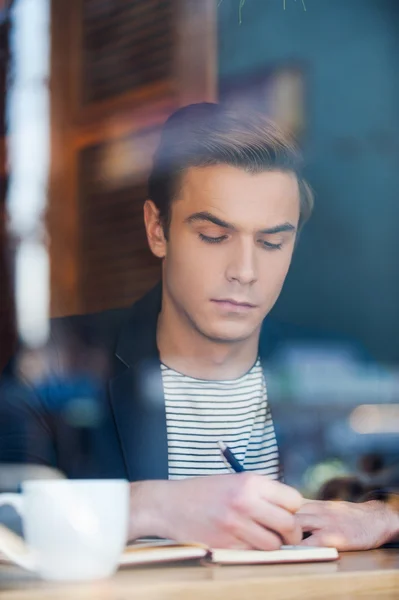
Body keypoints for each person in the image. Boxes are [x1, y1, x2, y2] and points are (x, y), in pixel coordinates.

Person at [0, 103, 398, 551]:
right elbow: (8, 516)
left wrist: (385, 515)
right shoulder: (57, 365)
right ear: (157, 229)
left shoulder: (336, 367)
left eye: (272, 242)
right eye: (214, 236)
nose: (245, 271)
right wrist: (149, 506)